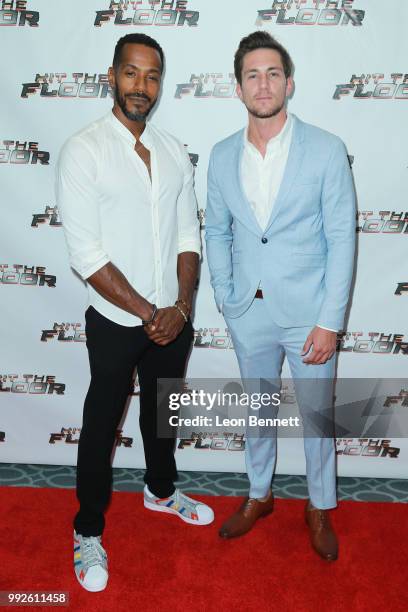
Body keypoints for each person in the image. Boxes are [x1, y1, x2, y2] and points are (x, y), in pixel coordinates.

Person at [56, 33, 214, 593]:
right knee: (101, 424)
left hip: (173, 315)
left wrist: (182, 306)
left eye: (151, 77)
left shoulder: (172, 150)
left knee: (161, 412)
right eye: (131, 73)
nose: (140, 86)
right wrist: (152, 312)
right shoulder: (84, 148)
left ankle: (162, 491)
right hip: (118, 319)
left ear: (160, 84)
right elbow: (86, 255)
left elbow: (189, 233)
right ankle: (88, 528)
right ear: (111, 76)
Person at [205, 31, 355, 561]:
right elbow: (217, 232)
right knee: (257, 412)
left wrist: (330, 321)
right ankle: (259, 495)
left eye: (272, 73)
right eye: (252, 74)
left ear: (289, 82)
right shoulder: (222, 156)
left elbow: (341, 238)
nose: (262, 83)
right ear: (238, 87)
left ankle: (318, 507)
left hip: (310, 314)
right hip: (250, 312)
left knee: (317, 417)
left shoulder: (327, 149)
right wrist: (226, 296)